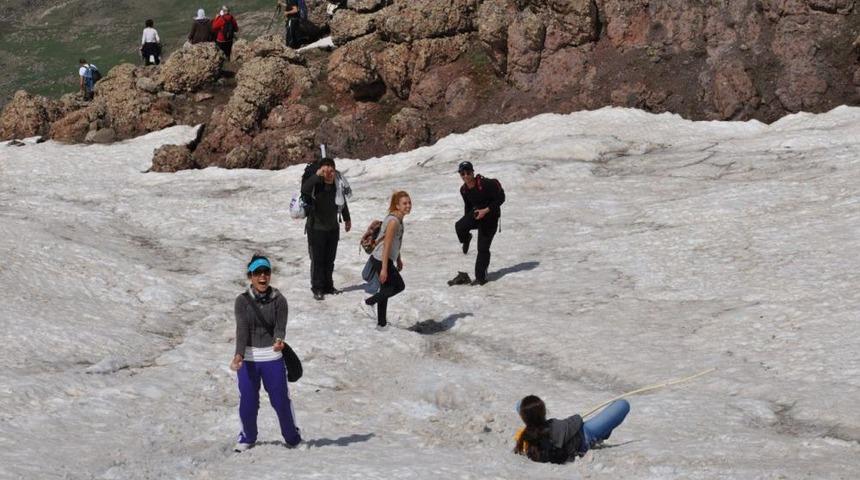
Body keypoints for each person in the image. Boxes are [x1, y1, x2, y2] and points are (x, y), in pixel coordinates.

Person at [230, 255, 302, 452]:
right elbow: (242, 330)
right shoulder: (242, 301)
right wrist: (238, 355)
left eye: (266, 272)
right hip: (249, 358)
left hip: (272, 357)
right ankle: (247, 437)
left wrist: (279, 341)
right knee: (248, 402)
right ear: (250, 276)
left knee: (280, 401)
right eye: (257, 273)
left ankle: (292, 437)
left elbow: (280, 327)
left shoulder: (280, 300)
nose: (262, 277)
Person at [514, 395, 630, 464]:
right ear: (543, 413)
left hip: (566, 437)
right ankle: (603, 434)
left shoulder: (527, 439)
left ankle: (604, 431)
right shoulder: (557, 427)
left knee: (521, 403)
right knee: (622, 404)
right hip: (585, 435)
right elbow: (576, 420)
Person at [301, 156, 351, 301]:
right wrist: (317, 176)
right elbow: (304, 189)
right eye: (326, 167)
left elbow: (342, 203)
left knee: (330, 259)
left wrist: (347, 218)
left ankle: (328, 286)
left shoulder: (337, 184)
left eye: (331, 167)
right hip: (316, 228)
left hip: (333, 228)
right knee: (317, 260)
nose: (329, 171)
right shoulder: (316, 184)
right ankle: (317, 288)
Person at [363, 191, 411, 330]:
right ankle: (369, 301)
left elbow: (396, 242)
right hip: (381, 258)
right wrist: (384, 268)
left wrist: (399, 259)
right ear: (397, 205)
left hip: (386, 258)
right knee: (398, 286)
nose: (408, 206)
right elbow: (387, 245)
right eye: (404, 203)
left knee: (385, 289)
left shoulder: (398, 219)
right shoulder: (393, 222)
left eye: (409, 203)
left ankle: (381, 323)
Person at [455, 161, 505, 286]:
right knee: (459, 226)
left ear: (473, 172)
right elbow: (468, 206)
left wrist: (486, 210)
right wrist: (467, 223)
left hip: (491, 218)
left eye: (468, 173)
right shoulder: (464, 190)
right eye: (462, 174)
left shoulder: (486, 184)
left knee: (482, 248)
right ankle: (467, 238)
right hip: (477, 214)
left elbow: (501, 198)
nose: (465, 176)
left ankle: (480, 278)